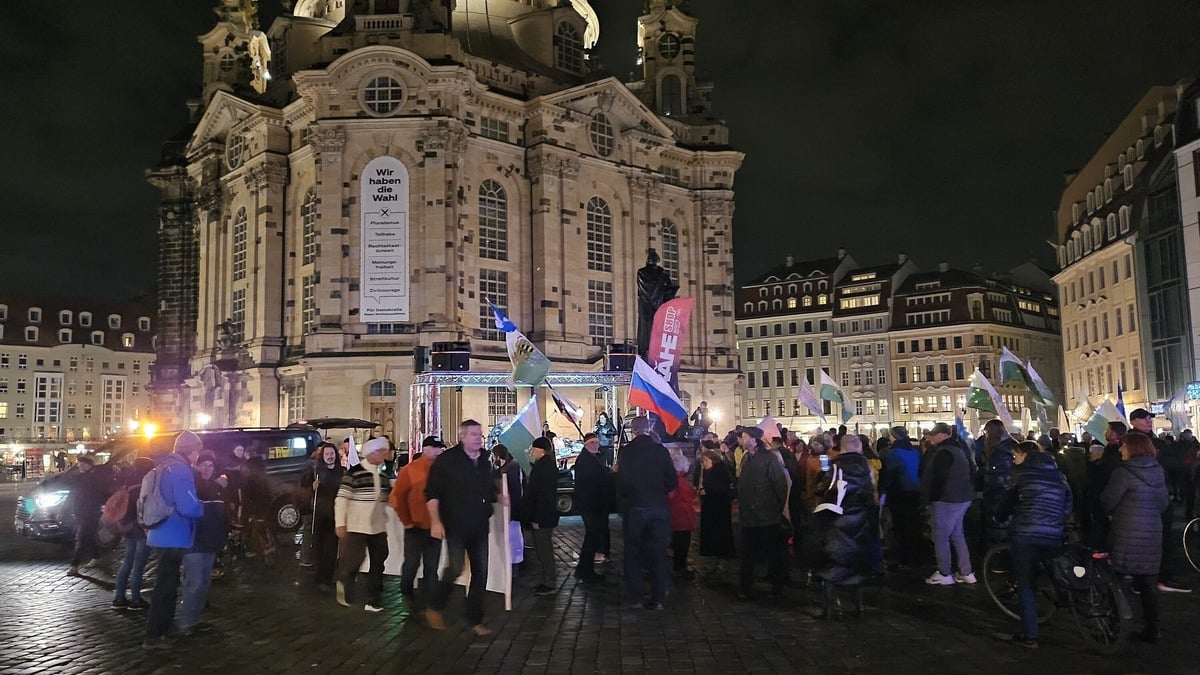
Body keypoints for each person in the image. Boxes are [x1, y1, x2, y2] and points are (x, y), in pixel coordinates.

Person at [995, 440, 1073, 649]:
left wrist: (999, 516)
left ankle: (1030, 635)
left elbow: (1007, 502)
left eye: (1016, 455)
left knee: (1026, 584)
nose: (1014, 459)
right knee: (1057, 570)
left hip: (1025, 533)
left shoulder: (1020, 474)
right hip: (1053, 532)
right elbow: (1068, 502)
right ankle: (1069, 599)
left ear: (1025, 456)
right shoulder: (1058, 475)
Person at [426, 419, 498, 636]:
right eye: (474, 434)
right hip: (455, 525)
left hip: (479, 525)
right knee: (455, 568)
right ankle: (436, 606)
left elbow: (487, 487)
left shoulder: (485, 459)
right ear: (462, 437)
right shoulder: (447, 461)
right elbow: (432, 494)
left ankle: (474, 618)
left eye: (480, 434)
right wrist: (436, 521)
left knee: (480, 573)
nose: (479, 438)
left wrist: (499, 495)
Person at [1101, 430, 1170, 642]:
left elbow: (1108, 500)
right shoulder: (1158, 471)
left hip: (1126, 532)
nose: (1120, 449)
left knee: (1116, 581)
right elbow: (1163, 503)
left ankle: (1114, 626)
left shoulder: (1123, 472)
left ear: (1132, 448)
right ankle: (1153, 629)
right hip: (1151, 532)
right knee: (1148, 584)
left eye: (1123, 445)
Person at [144, 432, 205, 651]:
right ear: (192, 450)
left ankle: (163, 629)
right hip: (173, 535)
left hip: (160, 533)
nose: (198, 455)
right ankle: (155, 635)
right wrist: (203, 508)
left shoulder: (164, 466)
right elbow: (188, 506)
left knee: (167, 585)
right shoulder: (180, 470)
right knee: (166, 588)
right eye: (197, 450)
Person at [811, 434, 883, 618]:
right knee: (856, 564)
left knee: (832, 563)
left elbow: (824, 490)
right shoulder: (867, 466)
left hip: (837, 520)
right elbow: (873, 493)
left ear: (841, 447)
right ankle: (860, 608)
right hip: (861, 520)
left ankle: (828, 610)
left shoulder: (835, 466)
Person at [616, 415, 676, 609]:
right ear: (648, 429)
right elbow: (672, 481)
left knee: (633, 553)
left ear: (633, 430)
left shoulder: (627, 452)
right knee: (658, 554)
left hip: (635, 508)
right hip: (658, 507)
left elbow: (622, 482)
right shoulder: (660, 451)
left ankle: (636, 597)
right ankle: (659, 597)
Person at [1127, 408, 1191, 593]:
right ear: (1134, 421)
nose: (1149, 421)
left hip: (1155, 495)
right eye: (1144, 418)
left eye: (1149, 418)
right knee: (1155, 540)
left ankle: (1147, 580)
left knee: (1152, 540)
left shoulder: (1153, 441)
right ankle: (1158, 579)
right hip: (1149, 498)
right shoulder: (1136, 443)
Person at [334, 437, 393, 612]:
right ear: (371, 453)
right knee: (354, 560)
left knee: (378, 562)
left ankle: (373, 599)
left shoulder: (382, 476)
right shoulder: (354, 473)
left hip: (378, 527)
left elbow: (386, 499)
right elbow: (342, 499)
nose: (384, 455)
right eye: (381, 452)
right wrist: (340, 523)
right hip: (357, 526)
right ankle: (345, 584)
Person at [390, 435, 446, 610]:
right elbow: (398, 498)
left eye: (440, 448)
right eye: (436, 448)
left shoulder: (442, 471)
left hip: (434, 527)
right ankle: (407, 593)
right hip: (414, 526)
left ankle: (430, 604)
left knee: (432, 567)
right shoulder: (410, 470)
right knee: (412, 564)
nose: (439, 451)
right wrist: (406, 521)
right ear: (427, 449)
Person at [179, 451, 229, 636]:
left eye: (211, 466)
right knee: (195, 582)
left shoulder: (217, 488)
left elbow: (222, 514)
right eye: (204, 465)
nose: (207, 469)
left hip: (211, 541)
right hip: (193, 541)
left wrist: (223, 536)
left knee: (205, 582)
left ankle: (195, 620)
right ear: (197, 466)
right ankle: (186, 623)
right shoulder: (192, 484)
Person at [736, 426, 788, 600]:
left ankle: (777, 587)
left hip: (767, 515)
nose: (741, 440)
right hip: (749, 517)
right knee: (747, 555)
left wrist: (776, 508)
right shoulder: (746, 458)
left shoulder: (769, 459)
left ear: (753, 439)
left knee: (773, 553)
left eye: (744, 437)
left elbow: (780, 485)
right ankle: (745, 587)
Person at [920, 422, 975, 586]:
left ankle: (944, 572)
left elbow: (938, 479)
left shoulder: (943, 452)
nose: (931, 438)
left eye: (934, 435)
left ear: (942, 435)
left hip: (947, 499)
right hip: (963, 497)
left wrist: (932, 498)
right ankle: (966, 572)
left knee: (941, 536)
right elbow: (972, 471)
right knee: (957, 534)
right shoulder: (959, 449)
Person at [112, 457, 154, 610]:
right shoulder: (144, 486)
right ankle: (136, 599)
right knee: (139, 565)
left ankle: (119, 597)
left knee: (127, 562)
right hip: (141, 528)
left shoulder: (127, 485)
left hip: (128, 528)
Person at [879, 426, 922, 570]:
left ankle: (901, 558)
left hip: (899, 493)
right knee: (913, 525)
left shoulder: (891, 454)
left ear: (894, 437)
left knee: (899, 526)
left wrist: (884, 491)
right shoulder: (916, 452)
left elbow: (888, 475)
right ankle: (914, 556)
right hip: (916, 491)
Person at [573, 433, 612, 582]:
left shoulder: (591, 459)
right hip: (591, 505)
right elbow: (592, 482)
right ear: (586, 444)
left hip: (594, 504)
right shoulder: (585, 461)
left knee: (592, 537)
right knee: (592, 537)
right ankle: (585, 570)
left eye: (597, 442)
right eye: (593, 443)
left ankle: (584, 568)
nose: (596, 445)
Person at [526, 437, 560, 596]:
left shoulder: (544, 467)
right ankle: (547, 579)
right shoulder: (545, 465)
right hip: (544, 515)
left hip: (542, 516)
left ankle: (549, 582)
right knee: (543, 548)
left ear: (541, 450)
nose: (532, 451)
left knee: (544, 550)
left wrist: (537, 518)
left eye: (534, 449)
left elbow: (542, 495)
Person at [66, 455, 108, 576]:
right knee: (88, 535)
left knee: (81, 537)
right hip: (83, 511)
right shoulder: (82, 477)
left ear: (87, 465)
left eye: (81, 464)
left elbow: (98, 493)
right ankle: (96, 556)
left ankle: (74, 566)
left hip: (89, 511)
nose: (79, 466)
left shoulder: (93, 477)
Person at [312, 442, 344, 589]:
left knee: (331, 549)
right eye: (327, 454)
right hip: (320, 515)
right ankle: (319, 576)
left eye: (332, 454)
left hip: (335, 515)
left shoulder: (342, 472)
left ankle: (327, 578)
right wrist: (313, 487)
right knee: (319, 547)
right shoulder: (317, 472)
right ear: (323, 457)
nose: (330, 457)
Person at [697, 448, 735, 575]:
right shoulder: (712, 471)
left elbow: (721, 489)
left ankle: (722, 559)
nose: (704, 463)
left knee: (720, 534)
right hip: (712, 507)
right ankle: (716, 559)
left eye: (706, 460)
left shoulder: (719, 472)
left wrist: (707, 491)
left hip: (718, 509)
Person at [978, 419, 1014, 548]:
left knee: (1000, 530)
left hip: (999, 497)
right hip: (1002, 495)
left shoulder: (1002, 452)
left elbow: (998, 479)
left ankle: (1001, 560)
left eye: (986, 433)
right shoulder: (1006, 448)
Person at [667, 453, 698, 580]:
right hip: (683, 517)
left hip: (677, 516)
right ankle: (679, 567)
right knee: (682, 544)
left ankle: (679, 566)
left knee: (679, 543)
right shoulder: (680, 480)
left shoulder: (675, 480)